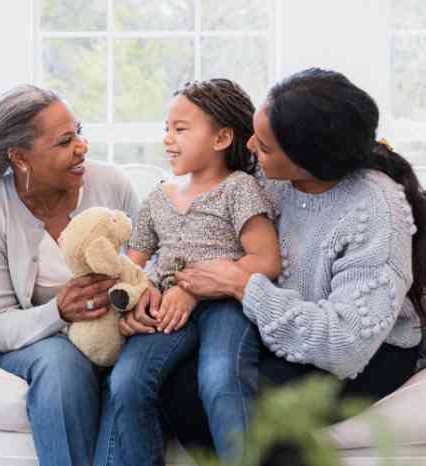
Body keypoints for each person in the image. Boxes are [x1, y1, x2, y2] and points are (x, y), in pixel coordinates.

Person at [143, 68, 426, 453]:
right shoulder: (266, 178)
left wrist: (239, 284)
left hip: (364, 349)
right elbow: (195, 233)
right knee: (180, 388)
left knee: (245, 408)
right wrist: (152, 288)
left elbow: (344, 344)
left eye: (265, 146)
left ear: (308, 161)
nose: (250, 146)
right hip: (274, 330)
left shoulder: (375, 211)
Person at [94, 79, 282, 466]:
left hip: (226, 305)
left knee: (221, 380)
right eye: (166, 128)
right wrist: (135, 301)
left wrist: (194, 287)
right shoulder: (157, 198)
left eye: (180, 129)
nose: (167, 138)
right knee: (126, 384)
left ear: (222, 138)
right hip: (166, 311)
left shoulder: (239, 189)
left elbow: (265, 261)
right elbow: (132, 265)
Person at [0, 84, 138, 466]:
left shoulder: (111, 184)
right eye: (64, 141)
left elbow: (146, 266)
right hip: (38, 345)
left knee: (137, 371)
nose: (82, 147)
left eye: (80, 131)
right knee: (61, 363)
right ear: (20, 157)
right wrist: (59, 310)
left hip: (117, 331)